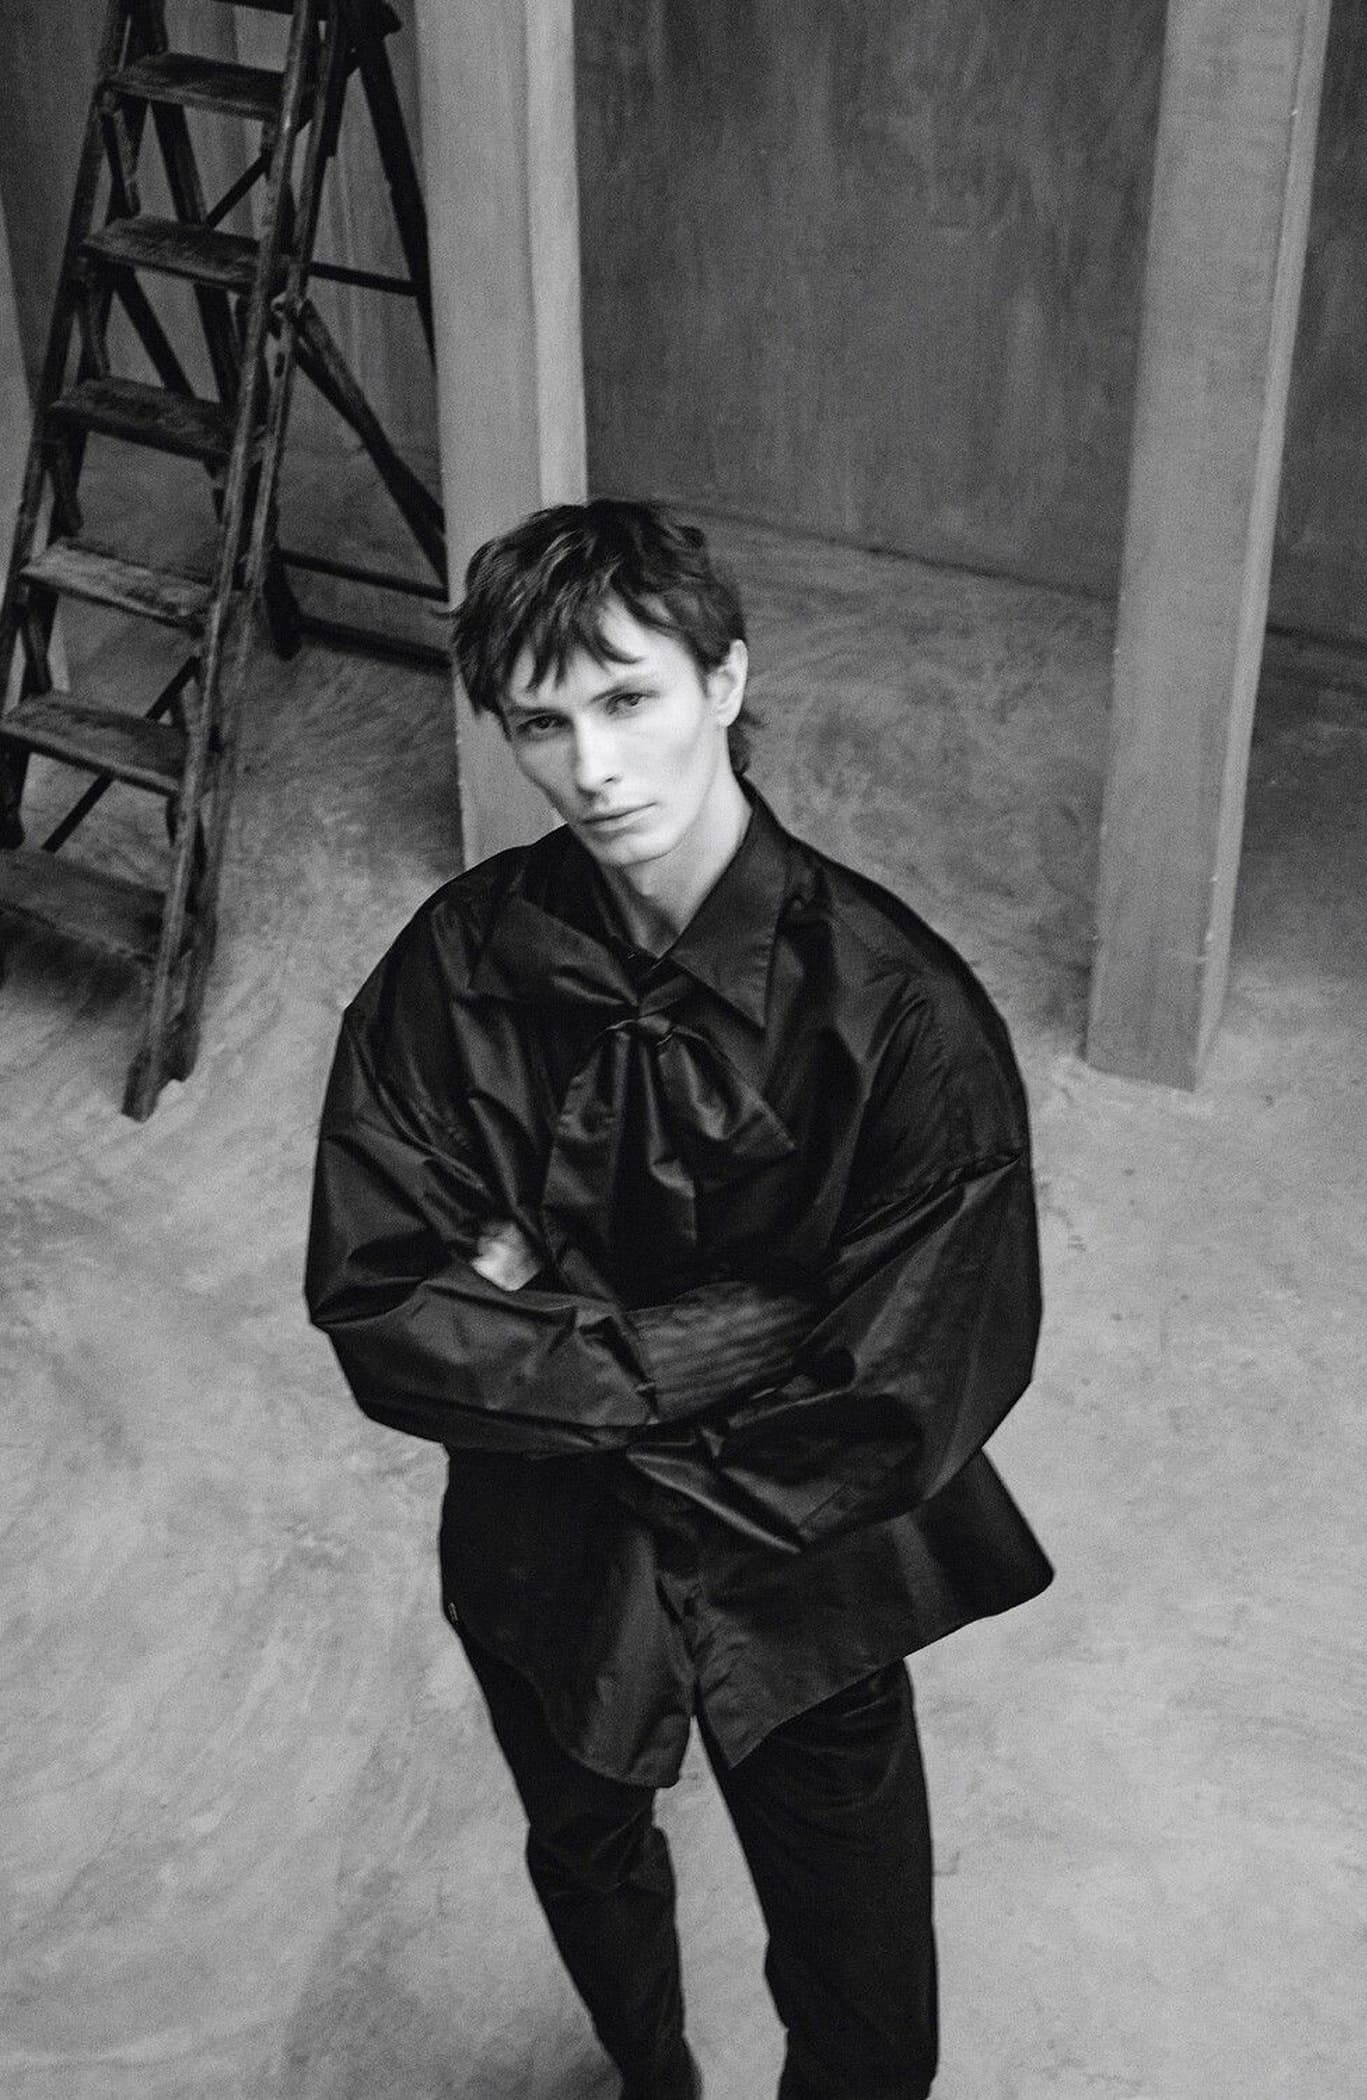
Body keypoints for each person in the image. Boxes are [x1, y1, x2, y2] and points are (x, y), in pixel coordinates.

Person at [304, 498, 1052, 2100]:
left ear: (724, 679)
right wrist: (746, 1324)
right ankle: (651, 2082)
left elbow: (906, 1384)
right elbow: (382, 1309)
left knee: (868, 2002)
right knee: (586, 1861)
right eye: (542, 724)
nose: (593, 768)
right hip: (542, 1552)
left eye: (629, 698)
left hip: (805, 1558)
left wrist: (530, 1323)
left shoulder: (901, 1015)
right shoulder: (452, 966)